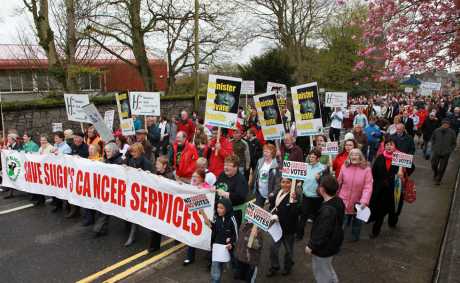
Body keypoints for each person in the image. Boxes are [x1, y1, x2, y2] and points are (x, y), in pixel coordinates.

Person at [305, 175, 344, 283]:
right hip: (333, 244)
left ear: (322, 189)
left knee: (321, 272)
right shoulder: (338, 200)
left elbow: (322, 232)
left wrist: (311, 246)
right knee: (328, 267)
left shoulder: (327, 211)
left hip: (323, 249)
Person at [369, 138, 405, 238]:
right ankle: (375, 231)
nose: (389, 146)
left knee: (394, 210)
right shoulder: (380, 157)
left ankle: (392, 222)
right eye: (387, 145)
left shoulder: (401, 157)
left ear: (395, 146)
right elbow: (374, 172)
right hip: (381, 191)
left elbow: (411, 168)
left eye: (391, 144)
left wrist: (403, 172)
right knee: (380, 212)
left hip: (395, 191)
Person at [337, 149, 373, 241]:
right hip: (343, 199)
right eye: (352, 154)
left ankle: (355, 236)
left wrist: (364, 201)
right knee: (341, 221)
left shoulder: (367, 170)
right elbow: (339, 182)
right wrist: (334, 195)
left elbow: (368, 187)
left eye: (356, 154)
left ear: (360, 157)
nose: (354, 156)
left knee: (357, 222)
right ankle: (337, 237)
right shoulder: (344, 167)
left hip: (359, 201)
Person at [200, 198, 238, 283]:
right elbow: (214, 228)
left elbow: (236, 235)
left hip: (228, 248)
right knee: (215, 269)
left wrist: (231, 243)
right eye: (217, 207)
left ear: (227, 208)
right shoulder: (217, 217)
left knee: (232, 267)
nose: (218, 210)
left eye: (221, 208)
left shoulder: (232, 219)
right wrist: (207, 220)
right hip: (217, 247)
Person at [266, 178, 298, 277]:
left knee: (288, 251)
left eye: (288, 182)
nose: (285, 185)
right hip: (277, 227)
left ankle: (287, 267)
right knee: (273, 248)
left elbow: (295, 214)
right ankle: (274, 266)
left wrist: (294, 202)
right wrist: (273, 215)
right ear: (280, 183)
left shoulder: (295, 196)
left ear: (292, 184)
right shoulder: (277, 193)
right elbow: (273, 207)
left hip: (289, 229)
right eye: (283, 182)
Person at [92, 142, 124, 237]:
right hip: (107, 189)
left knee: (105, 209)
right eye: (106, 152)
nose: (107, 154)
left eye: (109, 151)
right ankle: (101, 229)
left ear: (114, 151)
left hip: (115, 190)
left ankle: (98, 229)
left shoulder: (120, 161)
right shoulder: (107, 160)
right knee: (104, 209)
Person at [124, 143, 153, 246]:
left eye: (134, 152)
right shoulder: (131, 160)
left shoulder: (147, 163)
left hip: (143, 192)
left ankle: (133, 235)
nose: (132, 154)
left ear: (140, 151)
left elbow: (152, 178)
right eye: (131, 152)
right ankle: (132, 233)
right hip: (134, 191)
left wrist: (144, 174)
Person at [183, 168, 212, 265]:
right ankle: (190, 257)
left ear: (202, 178)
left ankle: (210, 256)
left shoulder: (208, 187)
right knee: (192, 235)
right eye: (193, 176)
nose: (194, 178)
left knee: (207, 234)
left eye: (196, 177)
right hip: (194, 215)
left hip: (204, 216)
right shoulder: (191, 186)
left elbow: (210, 198)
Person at [297, 149, 327, 240]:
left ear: (318, 159)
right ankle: (299, 235)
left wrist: (320, 178)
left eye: (313, 157)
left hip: (318, 197)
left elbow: (326, 182)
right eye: (310, 157)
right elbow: (302, 178)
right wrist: (300, 182)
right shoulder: (305, 167)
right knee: (303, 216)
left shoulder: (323, 168)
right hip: (306, 196)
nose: (311, 158)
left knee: (317, 218)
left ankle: (315, 236)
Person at [215, 154, 248, 226]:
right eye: (225, 165)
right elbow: (216, 185)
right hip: (220, 211)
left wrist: (225, 194)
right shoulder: (222, 174)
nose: (226, 168)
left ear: (236, 167)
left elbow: (241, 198)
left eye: (229, 165)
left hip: (233, 213)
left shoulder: (240, 180)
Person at [67, 132, 89, 219]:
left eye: (77, 138)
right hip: (73, 173)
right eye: (74, 138)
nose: (75, 139)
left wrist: (79, 158)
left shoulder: (86, 148)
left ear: (81, 139)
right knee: (72, 191)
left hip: (83, 174)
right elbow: (69, 156)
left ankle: (86, 214)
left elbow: (88, 160)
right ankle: (74, 210)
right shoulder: (72, 146)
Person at [431, 119, 457, 185]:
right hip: (436, 151)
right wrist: (434, 147)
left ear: (449, 125)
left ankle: (438, 180)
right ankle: (436, 173)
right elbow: (433, 139)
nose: (445, 126)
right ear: (441, 125)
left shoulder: (452, 132)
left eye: (447, 125)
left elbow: (454, 143)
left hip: (446, 153)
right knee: (434, 164)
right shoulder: (436, 131)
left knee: (442, 168)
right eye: (444, 124)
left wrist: (450, 150)